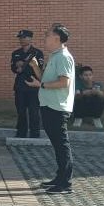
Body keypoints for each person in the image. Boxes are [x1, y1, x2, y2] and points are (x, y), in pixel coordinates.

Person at [24, 23, 75, 195]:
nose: (45, 38)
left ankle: (65, 183)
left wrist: (41, 85)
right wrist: (35, 67)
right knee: (57, 145)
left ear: (57, 38)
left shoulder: (63, 57)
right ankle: (59, 178)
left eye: (47, 35)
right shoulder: (55, 56)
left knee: (61, 145)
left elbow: (63, 82)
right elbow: (45, 79)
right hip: (49, 105)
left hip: (57, 107)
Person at [11, 29, 44, 138]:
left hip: (33, 85)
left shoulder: (37, 53)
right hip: (20, 86)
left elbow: (39, 68)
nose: (21, 40)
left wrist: (26, 65)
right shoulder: (16, 53)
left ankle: (35, 134)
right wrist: (17, 67)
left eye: (24, 37)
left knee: (34, 112)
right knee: (21, 111)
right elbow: (13, 68)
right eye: (20, 38)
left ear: (30, 38)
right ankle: (21, 133)